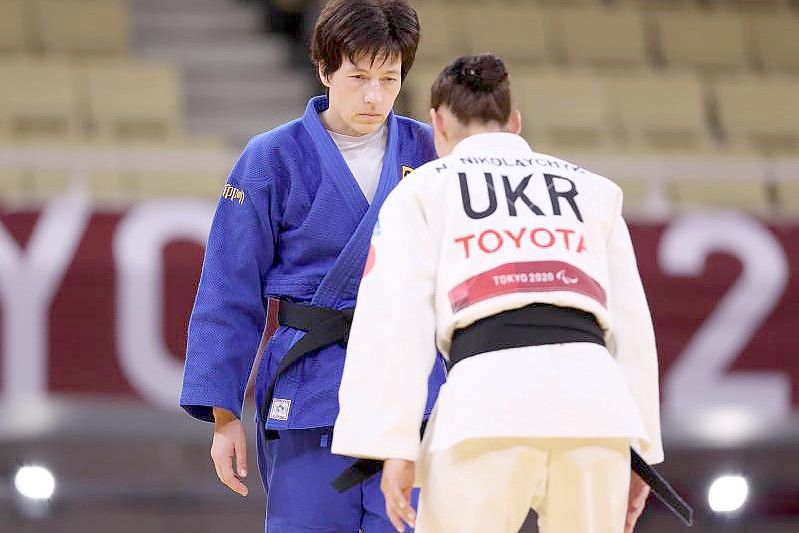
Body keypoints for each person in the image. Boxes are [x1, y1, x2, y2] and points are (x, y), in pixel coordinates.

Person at [332, 54, 663, 533]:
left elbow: (394, 321)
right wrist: (641, 450)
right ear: (515, 123)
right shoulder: (594, 191)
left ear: (437, 124)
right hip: (597, 412)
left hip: (484, 410)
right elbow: (632, 327)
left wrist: (394, 444)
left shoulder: (423, 190)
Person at [179, 1, 447, 531]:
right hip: (311, 386)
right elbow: (229, 289)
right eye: (358, 76)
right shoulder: (271, 157)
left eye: (389, 78)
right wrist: (224, 417)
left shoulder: (432, 152)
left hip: (412, 390)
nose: (374, 95)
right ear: (325, 70)